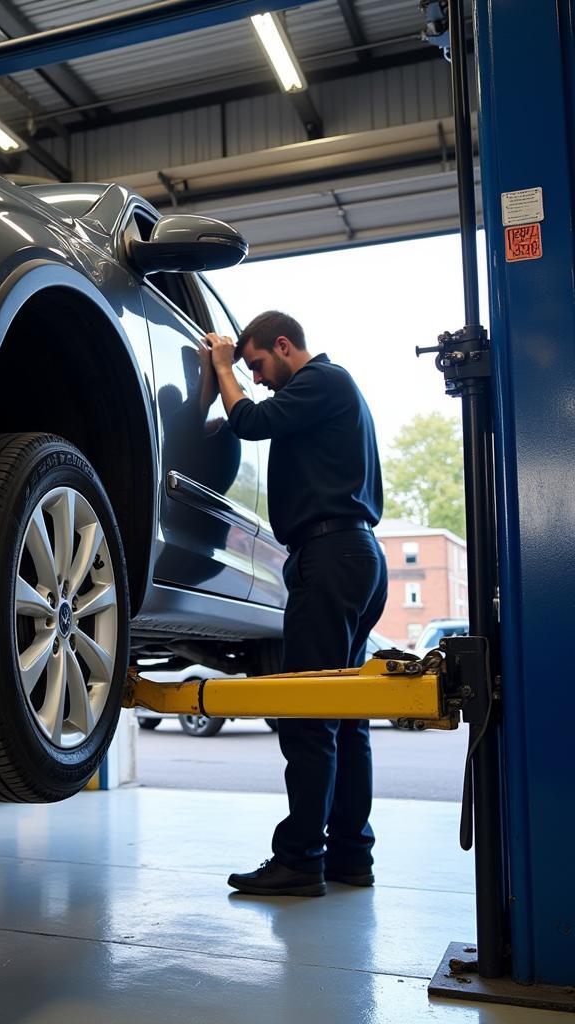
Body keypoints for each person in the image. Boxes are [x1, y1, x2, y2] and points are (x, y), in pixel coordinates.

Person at [206, 310, 388, 898]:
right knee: (344, 716)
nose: (254, 376)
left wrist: (221, 365)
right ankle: (348, 856)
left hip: (332, 555)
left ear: (284, 346)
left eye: (257, 363)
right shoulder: (331, 391)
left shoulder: (323, 380)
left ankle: (299, 860)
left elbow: (251, 421)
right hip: (352, 556)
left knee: (308, 716)